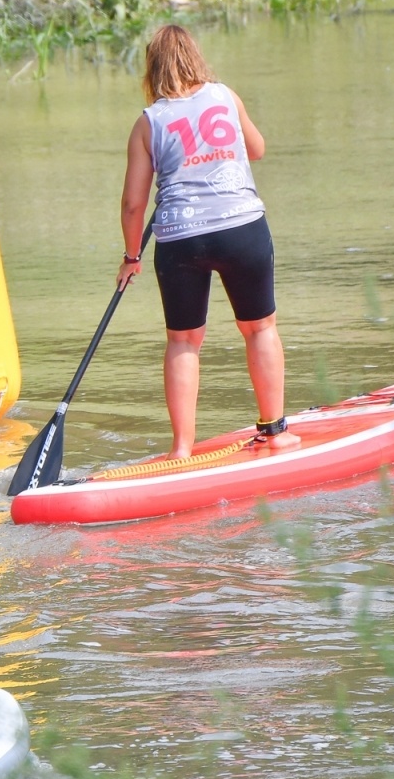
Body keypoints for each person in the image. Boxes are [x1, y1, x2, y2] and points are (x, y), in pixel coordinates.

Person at [118, 24, 299, 460]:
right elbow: (256, 148)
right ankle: (274, 431)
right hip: (241, 227)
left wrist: (131, 256)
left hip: (181, 238)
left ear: (153, 69)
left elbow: (131, 204)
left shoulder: (148, 123)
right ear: (195, 58)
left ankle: (181, 449)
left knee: (183, 341)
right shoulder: (224, 96)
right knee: (259, 328)